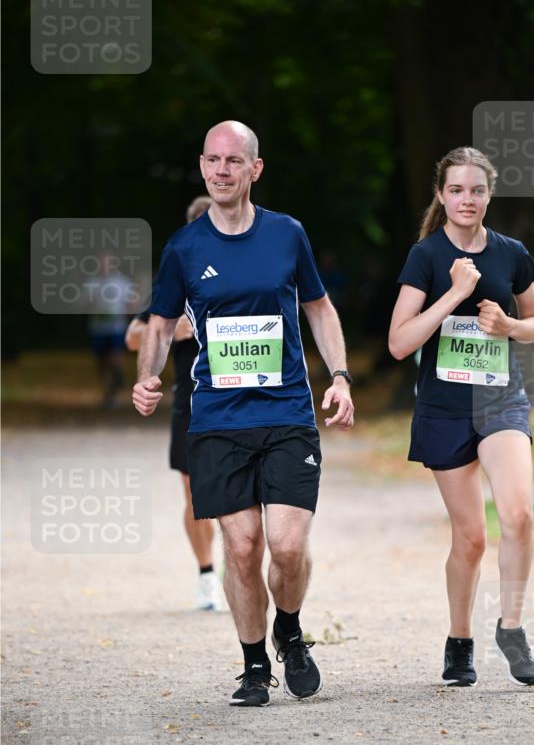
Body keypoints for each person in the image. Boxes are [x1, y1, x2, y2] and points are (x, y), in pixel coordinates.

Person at [133, 120, 354, 707]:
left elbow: (319, 308)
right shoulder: (184, 248)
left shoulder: (286, 234)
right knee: (242, 547)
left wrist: (340, 376)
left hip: (286, 413)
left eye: (233, 160)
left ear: (255, 169)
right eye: (212, 160)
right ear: (202, 167)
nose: (221, 170)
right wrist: (147, 376)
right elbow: (159, 324)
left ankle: (290, 630)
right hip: (218, 419)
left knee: (287, 546)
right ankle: (255, 666)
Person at [389, 146, 534, 688]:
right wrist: (454, 293)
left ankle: (512, 628)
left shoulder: (511, 253)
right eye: (456, 190)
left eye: (477, 190)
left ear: (489, 195)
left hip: (501, 400)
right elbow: (398, 342)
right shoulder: (426, 256)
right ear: (441, 194)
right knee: (472, 537)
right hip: (445, 409)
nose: (466, 199)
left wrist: (509, 326)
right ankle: (460, 641)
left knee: (518, 515)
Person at [125, 195, 223, 612]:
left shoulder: (248, 273)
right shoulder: (178, 277)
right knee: (195, 495)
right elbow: (133, 336)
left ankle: (242, 567)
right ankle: (207, 575)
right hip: (192, 401)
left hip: (243, 397)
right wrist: (174, 328)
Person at [86, 253, 136, 409]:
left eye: (108, 262)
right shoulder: (92, 283)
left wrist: (128, 315)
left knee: (115, 357)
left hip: (116, 327)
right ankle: (108, 393)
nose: (105, 265)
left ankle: (116, 382)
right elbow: (84, 304)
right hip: (98, 328)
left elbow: (132, 303)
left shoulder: (122, 282)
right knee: (101, 361)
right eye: (102, 262)